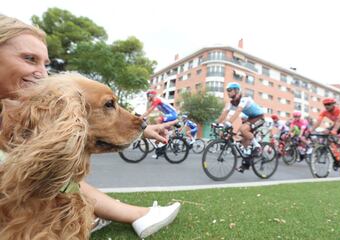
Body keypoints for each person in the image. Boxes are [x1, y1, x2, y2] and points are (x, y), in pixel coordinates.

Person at [0, 14, 180, 238]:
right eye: (29, 59)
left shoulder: (22, 109)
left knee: (56, 175)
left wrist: (143, 131)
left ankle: (135, 214)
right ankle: (136, 214)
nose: (43, 74)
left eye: (45, 64)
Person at [217, 82, 265, 160]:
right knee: (240, 136)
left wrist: (229, 122)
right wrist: (217, 123)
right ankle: (247, 158)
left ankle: (257, 146)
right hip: (250, 118)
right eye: (227, 91)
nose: (228, 92)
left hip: (259, 117)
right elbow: (224, 113)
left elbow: (238, 111)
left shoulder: (244, 99)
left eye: (229, 90)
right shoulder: (232, 103)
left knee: (243, 129)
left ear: (236, 90)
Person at [311, 98, 340, 176]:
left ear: (333, 104)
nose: (327, 106)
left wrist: (334, 130)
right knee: (326, 134)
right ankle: (336, 154)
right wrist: (311, 130)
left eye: (329, 104)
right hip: (337, 125)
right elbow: (318, 122)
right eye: (325, 105)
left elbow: (339, 121)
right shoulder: (324, 112)